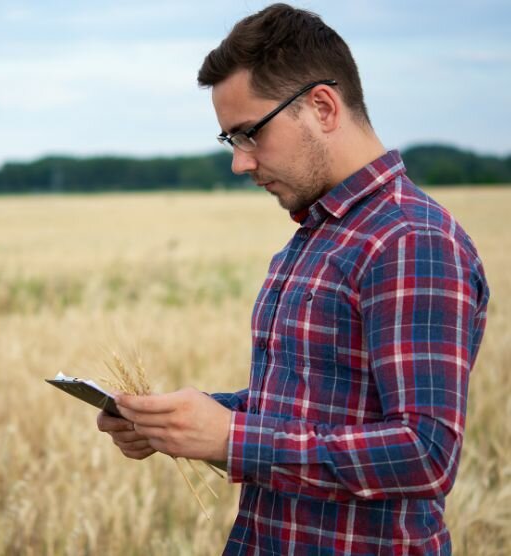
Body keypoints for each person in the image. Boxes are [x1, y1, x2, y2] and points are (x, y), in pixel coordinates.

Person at [96, 3, 490, 554]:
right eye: (230, 141)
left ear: (322, 107)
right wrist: (183, 424)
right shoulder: (316, 234)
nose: (240, 162)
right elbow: (306, 415)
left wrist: (233, 438)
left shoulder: (409, 239)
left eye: (250, 133)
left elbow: (425, 454)